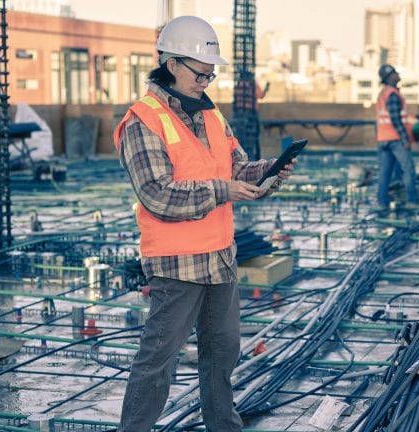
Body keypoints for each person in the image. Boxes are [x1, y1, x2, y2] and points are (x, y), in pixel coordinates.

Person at [113, 16, 294, 432]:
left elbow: (237, 169)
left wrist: (269, 173)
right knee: (158, 362)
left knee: (222, 354)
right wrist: (222, 190)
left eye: (211, 75)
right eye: (200, 72)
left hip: (220, 259)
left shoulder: (211, 115)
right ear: (171, 63)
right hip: (177, 265)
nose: (206, 81)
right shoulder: (144, 120)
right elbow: (157, 194)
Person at [374, 64, 419, 210]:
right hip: (395, 139)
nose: (397, 75)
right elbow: (395, 119)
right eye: (394, 73)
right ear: (389, 77)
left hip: (383, 139)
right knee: (408, 170)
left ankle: (382, 203)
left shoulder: (383, 93)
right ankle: (412, 201)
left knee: (385, 173)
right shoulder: (392, 94)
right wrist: (405, 138)